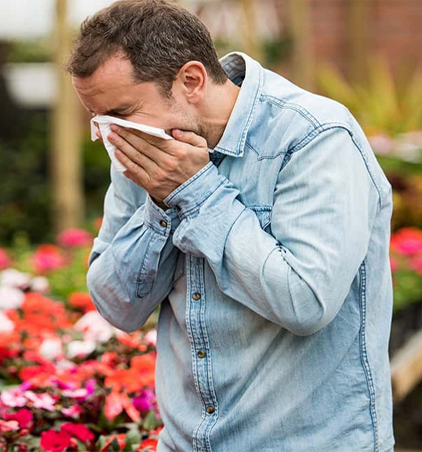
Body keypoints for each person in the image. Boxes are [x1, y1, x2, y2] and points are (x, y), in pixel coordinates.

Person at [70, 1, 395, 451]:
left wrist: (199, 193)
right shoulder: (143, 151)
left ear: (191, 81)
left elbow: (306, 302)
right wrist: (162, 203)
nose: (110, 135)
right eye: (99, 120)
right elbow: (119, 307)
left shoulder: (314, 137)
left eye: (121, 114)